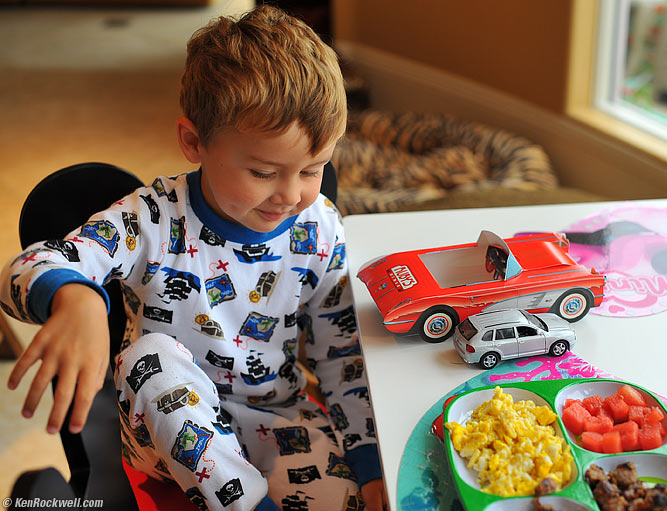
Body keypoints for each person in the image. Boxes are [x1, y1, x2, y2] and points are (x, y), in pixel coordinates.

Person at [1, 6, 385, 510]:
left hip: (280, 422)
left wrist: (368, 464)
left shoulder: (322, 226)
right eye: (265, 172)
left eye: (314, 169)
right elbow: (22, 269)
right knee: (149, 356)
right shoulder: (152, 218)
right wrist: (78, 298)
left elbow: (342, 357)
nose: (291, 195)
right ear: (193, 142)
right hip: (164, 430)